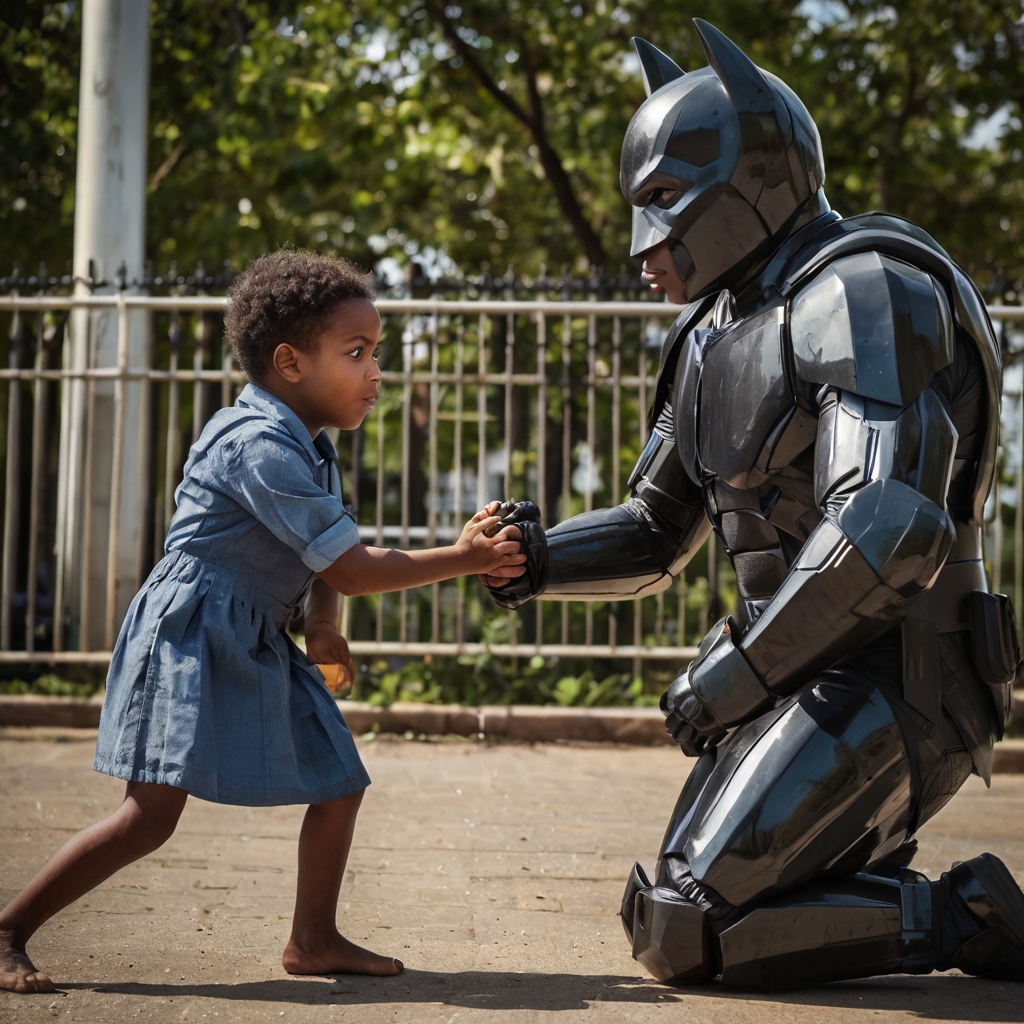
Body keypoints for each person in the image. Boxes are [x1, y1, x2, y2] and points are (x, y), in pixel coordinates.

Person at [480, 21, 1024, 988]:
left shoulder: (868, 292)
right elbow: (657, 528)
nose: (645, 243)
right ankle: (875, 873)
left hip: (909, 680)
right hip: (801, 679)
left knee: (691, 924)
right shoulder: (709, 335)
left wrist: (731, 676)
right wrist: (539, 557)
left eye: (663, 203)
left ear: (747, 181)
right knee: (673, 907)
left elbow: (891, 527)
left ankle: (970, 916)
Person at [0, 249, 526, 994]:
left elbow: (325, 557)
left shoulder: (313, 448)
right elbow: (351, 563)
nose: (376, 372)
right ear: (289, 362)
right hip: (191, 631)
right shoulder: (256, 444)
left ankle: (312, 941)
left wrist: (323, 626)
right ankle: (7, 929)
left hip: (254, 631)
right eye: (356, 353)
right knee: (148, 818)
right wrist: (467, 557)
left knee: (339, 782)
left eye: (376, 353)